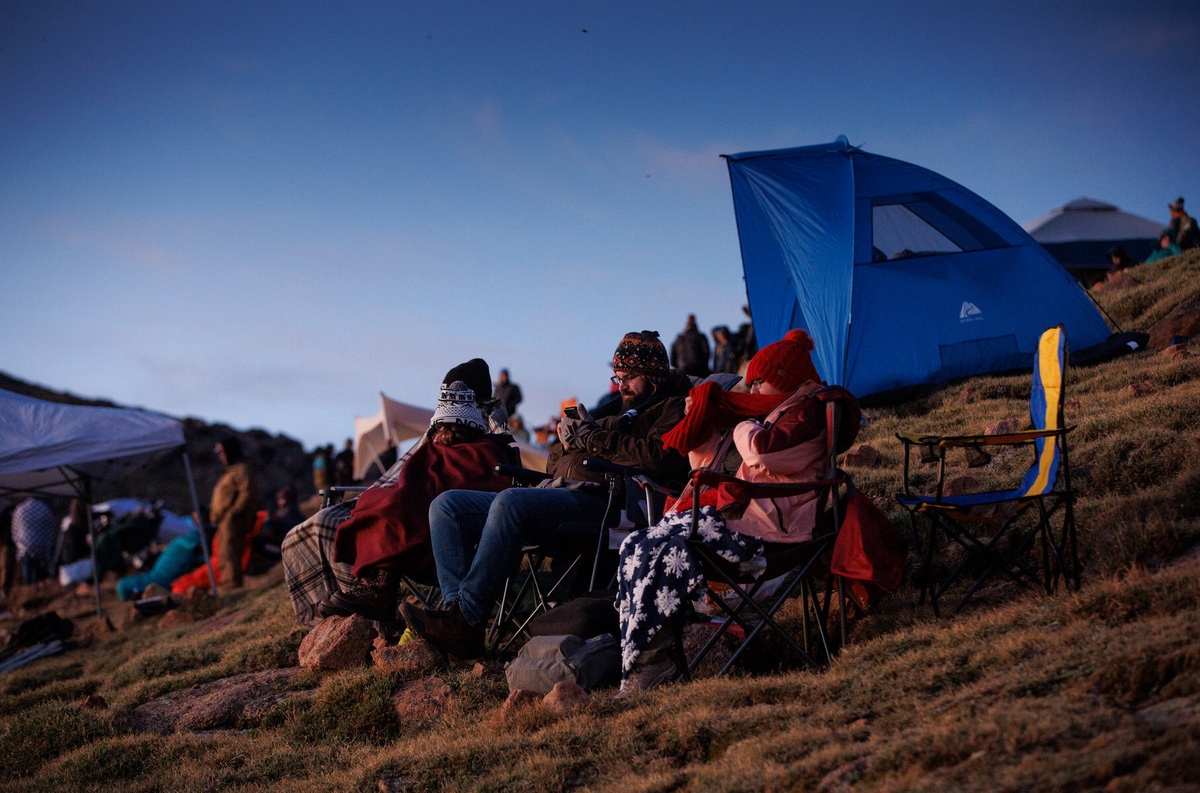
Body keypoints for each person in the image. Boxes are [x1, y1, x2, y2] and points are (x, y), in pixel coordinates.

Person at [401, 330, 693, 659]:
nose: (621, 385)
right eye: (618, 376)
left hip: (608, 502)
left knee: (510, 503)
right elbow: (555, 461)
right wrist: (568, 443)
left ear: (653, 376)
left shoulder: (673, 408)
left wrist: (592, 439)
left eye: (631, 377)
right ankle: (460, 622)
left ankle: (466, 619)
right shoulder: (611, 409)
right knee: (447, 506)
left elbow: (660, 457)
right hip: (561, 492)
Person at [614, 329, 861, 694]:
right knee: (636, 544)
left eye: (759, 382)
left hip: (772, 541)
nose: (754, 391)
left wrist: (743, 422)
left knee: (657, 548)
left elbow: (761, 452)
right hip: (751, 525)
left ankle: (652, 667)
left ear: (784, 380)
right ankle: (648, 659)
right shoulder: (786, 413)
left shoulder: (804, 414)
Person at [281, 358, 509, 626]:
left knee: (397, 505)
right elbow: (420, 472)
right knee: (376, 504)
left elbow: (471, 481)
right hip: (428, 507)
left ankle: (380, 594)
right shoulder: (441, 434)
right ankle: (369, 597)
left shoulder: (490, 443)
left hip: (454, 526)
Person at [209, 436, 259, 590]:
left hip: (233, 520)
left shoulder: (242, 469)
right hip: (223, 520)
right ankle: (228, 586)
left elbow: (247, 493)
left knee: (231, 553)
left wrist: (233, 513)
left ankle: (232, 587)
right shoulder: (230, 472)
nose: (221, 456)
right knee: (223, 554)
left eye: (222, 452)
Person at [11, 497, 56, 585]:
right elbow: (50, 529)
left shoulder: (20, 510)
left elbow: (14, 531)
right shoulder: (45, 510)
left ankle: (30, 591)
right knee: (38, 575)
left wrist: (19, 545)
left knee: (28, 576)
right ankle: (36, 590)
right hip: (41, 546)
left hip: (25, 547)